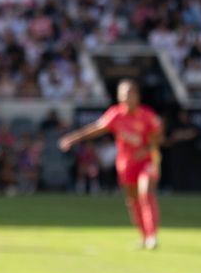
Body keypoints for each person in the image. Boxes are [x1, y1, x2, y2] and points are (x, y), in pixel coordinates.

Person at [59, 80, 163, 249]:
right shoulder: (116, 114)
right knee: (132, 200)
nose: (126, 97)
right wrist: (72, 138)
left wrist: (147, 149)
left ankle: (152, 236)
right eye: (122, 94)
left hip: (146, 161)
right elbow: (95, 129)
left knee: (145, 193)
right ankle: (143, 236)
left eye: (129, 93)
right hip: (126, 163)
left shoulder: (147, 115)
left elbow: (158, 136)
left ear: (137, 96)